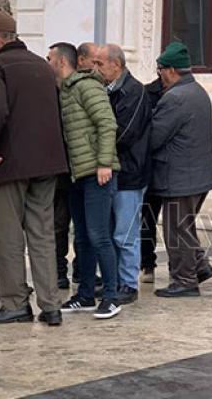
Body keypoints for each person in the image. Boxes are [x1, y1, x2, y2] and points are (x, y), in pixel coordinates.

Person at [0, 11, 68, 326]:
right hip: (49, 162)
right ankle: (51, 305)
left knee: (7, 235)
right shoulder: (42, 66)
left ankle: (15, 303)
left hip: (13, 162)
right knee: (42, 233)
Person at [48, 42, 122, 320]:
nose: (47, 62)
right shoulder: (65, 91)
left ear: (63, 62)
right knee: (82, 237)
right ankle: (86, 294)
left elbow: (107, 123)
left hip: (97, 172)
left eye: (50, 58)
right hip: (77, 173)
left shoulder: (87, 86)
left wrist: (104, 162)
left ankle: (112, 296)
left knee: (99, 235)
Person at [150, 42, 212, 297]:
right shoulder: (196, 90)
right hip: (197, 176)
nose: (159, 77)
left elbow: (155, 137)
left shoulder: (175, 98)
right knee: (185, 226)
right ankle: (199, 266)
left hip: (180, 177)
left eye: (160, 71)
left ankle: (185, 280)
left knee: (177, 230)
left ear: (170, 70)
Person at [96, 43, 152, 305]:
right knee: (108, 232)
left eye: (100, 64)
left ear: (116, 65)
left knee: (125, 233)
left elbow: (124, 132)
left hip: (129, 172)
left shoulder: (134, 91)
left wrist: (97, 145)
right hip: (110, 170)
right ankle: (113, 280)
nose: (96, 69)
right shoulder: (105, 90)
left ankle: (128, 283)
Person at [140, 77, 165, 284]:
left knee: (179, 221)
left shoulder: (184, 93)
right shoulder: (148, 92)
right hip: (151, 166)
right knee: (147, 218)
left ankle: (181, 265)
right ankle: (148, 263)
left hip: (173, 169)